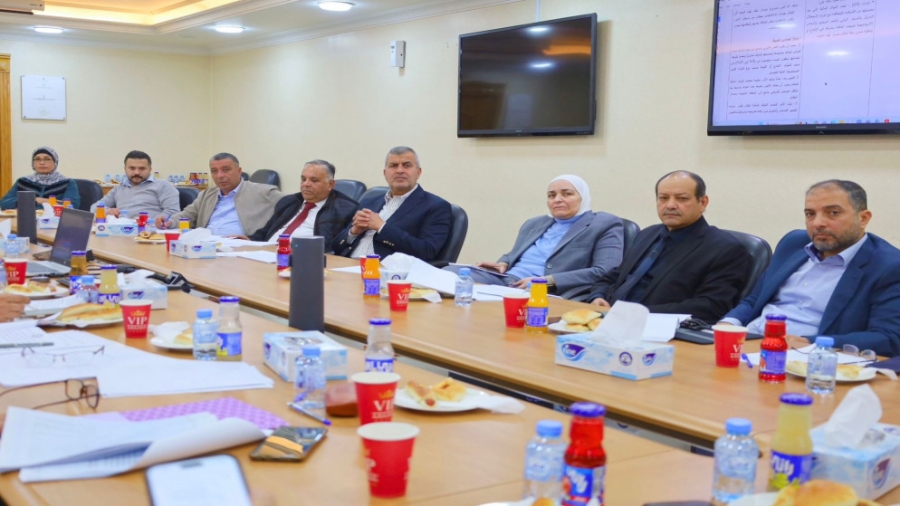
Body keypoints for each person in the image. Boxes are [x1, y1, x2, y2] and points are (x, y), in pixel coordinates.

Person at [721, 180, 900, 357]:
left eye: (833, 213)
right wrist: (728, 324)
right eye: (810, 214)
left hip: (808, 357)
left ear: (863, 218)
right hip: (750, 343)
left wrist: (810, 342)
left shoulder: (889, 266)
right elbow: (755, 299)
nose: (817, 223)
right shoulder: (793, 243)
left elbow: (889, 338)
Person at [587, 171, 751, 322]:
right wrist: (598, 295)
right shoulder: (648, 234)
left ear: (703, 202)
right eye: (663, 198)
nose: (670, 205)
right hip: (610, 320)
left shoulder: (725, 248)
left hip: (661, 327)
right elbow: (615, 276)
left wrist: (638, 313)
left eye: (682, 198)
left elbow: (711, 306)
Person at [445, 175, 623, 301]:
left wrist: (547, 280)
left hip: (546, 288)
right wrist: (503, 262)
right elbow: (514, 253)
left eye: (567, 194)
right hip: (508, 279)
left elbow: (604, 270)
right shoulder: (534, 223)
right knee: (447, 273)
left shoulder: (604, 223)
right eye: (551, 195)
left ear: (583, 197)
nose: (557, 199)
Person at [332, 146, 451, 261]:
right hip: (347, 265)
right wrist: (353, 232)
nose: (399, 170)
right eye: (393, 165)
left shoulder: (436, 206)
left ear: (418, 172)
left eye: (407, 165)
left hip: (386, 270)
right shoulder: (369, 201)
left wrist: (382, 227)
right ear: (385, 173)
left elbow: (427, 251)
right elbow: (336, 247)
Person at [154, 153, 282, 236]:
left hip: (241, 248)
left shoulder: (264, 192)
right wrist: (170, 222)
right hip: (206, 246)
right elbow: (188, 214)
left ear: (239, 171)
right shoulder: (207, 194)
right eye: (214, 171)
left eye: (226, 170)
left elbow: (291, 204)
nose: (219, 175)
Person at [244, 160, 357, 251]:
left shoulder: (345, 209)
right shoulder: (289, 201)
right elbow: (265, 232)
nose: (306, 184)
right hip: (267, 253)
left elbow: (337, 246)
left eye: (314, 180)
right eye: (303, 179)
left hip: (305, 258)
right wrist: (248, 240)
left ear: (330, 184)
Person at [89, 150, 180, 221]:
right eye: (132, 168)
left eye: (142, 168)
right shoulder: (119, 188)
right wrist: (107, 211)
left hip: (151, 232)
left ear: (150, 169)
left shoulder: (163, 186)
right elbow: (94, 208)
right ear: (125, 169)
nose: (136, 172)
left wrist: (153, 223)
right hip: (122, 231)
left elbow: (173, 213)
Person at [0, 147, 80, 210]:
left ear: (55, 163)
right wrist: (34, 200)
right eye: (37, 159)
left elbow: (71, 206)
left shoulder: (67, 183)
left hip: (54, 222)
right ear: (33, 163)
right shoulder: (22, 182)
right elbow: (4, 204)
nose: (42, 163)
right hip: (25, 219)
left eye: (47, 159)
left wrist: (42, 201)